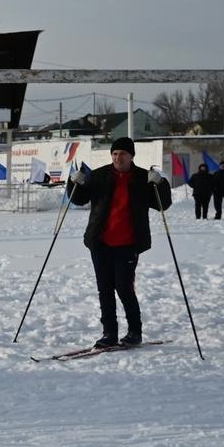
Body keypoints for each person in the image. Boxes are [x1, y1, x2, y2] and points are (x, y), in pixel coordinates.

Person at [68, 136, 172, 348]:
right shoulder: (99, 176)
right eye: (115, 154)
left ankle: (135, 331)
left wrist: (160, 183)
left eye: (123, 154)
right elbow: (79, 199)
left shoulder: (143, 178)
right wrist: (73, 183)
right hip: (100, 243)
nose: (118, 158)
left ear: (131, 156)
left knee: (124, 288)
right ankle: (109, 333)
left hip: (128, 244)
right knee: (104, 289)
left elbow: (163, 204)